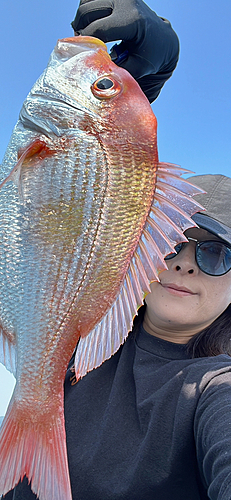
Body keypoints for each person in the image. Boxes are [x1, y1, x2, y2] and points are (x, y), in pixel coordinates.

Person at [4, 2, 231, 500]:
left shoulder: (213, 390)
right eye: (173, 239)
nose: (184, 260)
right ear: (141, 253)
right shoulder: (79, 345)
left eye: (218, 254)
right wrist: (132, 75)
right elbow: (103, 189)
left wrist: (106, 88)